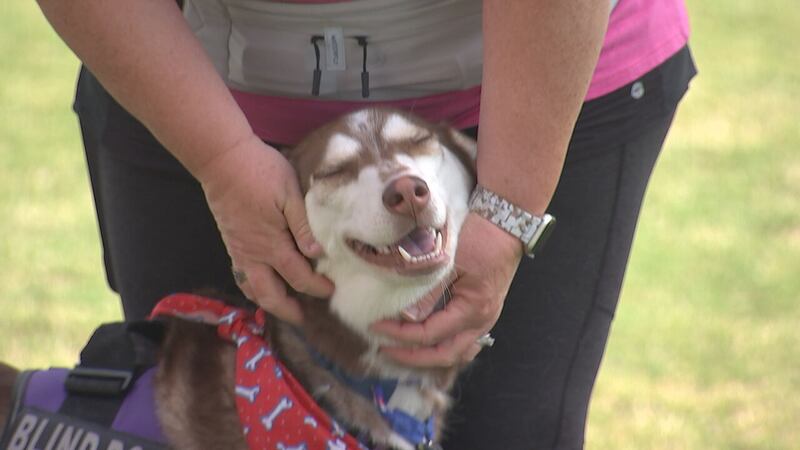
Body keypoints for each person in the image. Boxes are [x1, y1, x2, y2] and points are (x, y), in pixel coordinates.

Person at [37, 0, 696, 448]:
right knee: (199, 426)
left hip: (532, 87)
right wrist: (222, 160)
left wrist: (507, 207)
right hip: (184, 89)